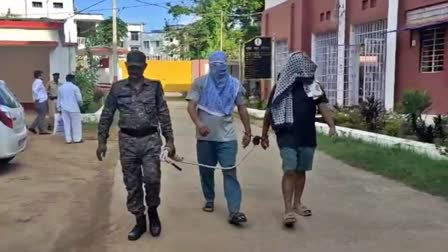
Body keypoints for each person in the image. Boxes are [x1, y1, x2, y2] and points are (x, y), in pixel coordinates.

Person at [97, 50, 176, 241]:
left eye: (138, 68)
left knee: (152, 179)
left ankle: (153, 213)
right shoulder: (117, 88)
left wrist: (170, 140)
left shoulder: (155, 87)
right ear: (126, 67)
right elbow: (107, 114)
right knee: (132, 184)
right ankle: (139, 220)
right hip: (128, 142)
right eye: (131, 67)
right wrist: (102, 140)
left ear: (145, 67)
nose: (134, 71)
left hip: (150, 141)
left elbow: (163, 114)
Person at [260, 52, 336, 227]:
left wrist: (331, 125)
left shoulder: (312, 86)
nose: (308, 65)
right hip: (286, 134)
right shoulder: (281, 86)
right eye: (304, 63)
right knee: (289, 170)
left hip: (307, 135)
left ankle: (297, 203)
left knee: (301, 171)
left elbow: (322, 106)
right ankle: (287, 211)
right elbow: (270, 111)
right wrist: (264, 135)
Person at [186, 51, 252, 226]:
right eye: (215, 64)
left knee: (230, 171)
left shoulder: (234, 85)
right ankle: (209, 198)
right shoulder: (200, 83)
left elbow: (242, 108)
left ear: (226, 65)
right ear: (210, 65)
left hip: (227, 137)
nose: (219, 68)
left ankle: (235, 211)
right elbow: (191, 107)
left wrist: (248, 132)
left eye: (222, 64)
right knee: (206, 170)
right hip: (205, 137)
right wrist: (199, 124)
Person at [57, 74, 83, 144]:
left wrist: (59, 108)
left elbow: (59, 99)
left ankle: (68, 139)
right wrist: (81, 105)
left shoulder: (60, 88)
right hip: (74, 108)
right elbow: (79, 99)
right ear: (72, 79)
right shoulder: (75, 87)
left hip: (64, 108)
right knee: (76, 124)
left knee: (66, 124)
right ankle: (77, 139)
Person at [29, 70, 49, 135]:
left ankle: (32, 127)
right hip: (41, 101)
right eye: (42, 75)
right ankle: (42, 130)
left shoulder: (35, 82)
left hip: (39, 101)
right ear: (39, 75)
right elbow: (35, 90)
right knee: (42, 116)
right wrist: (37, 98)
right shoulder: (39, 81)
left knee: (40, 115)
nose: (43, 76)